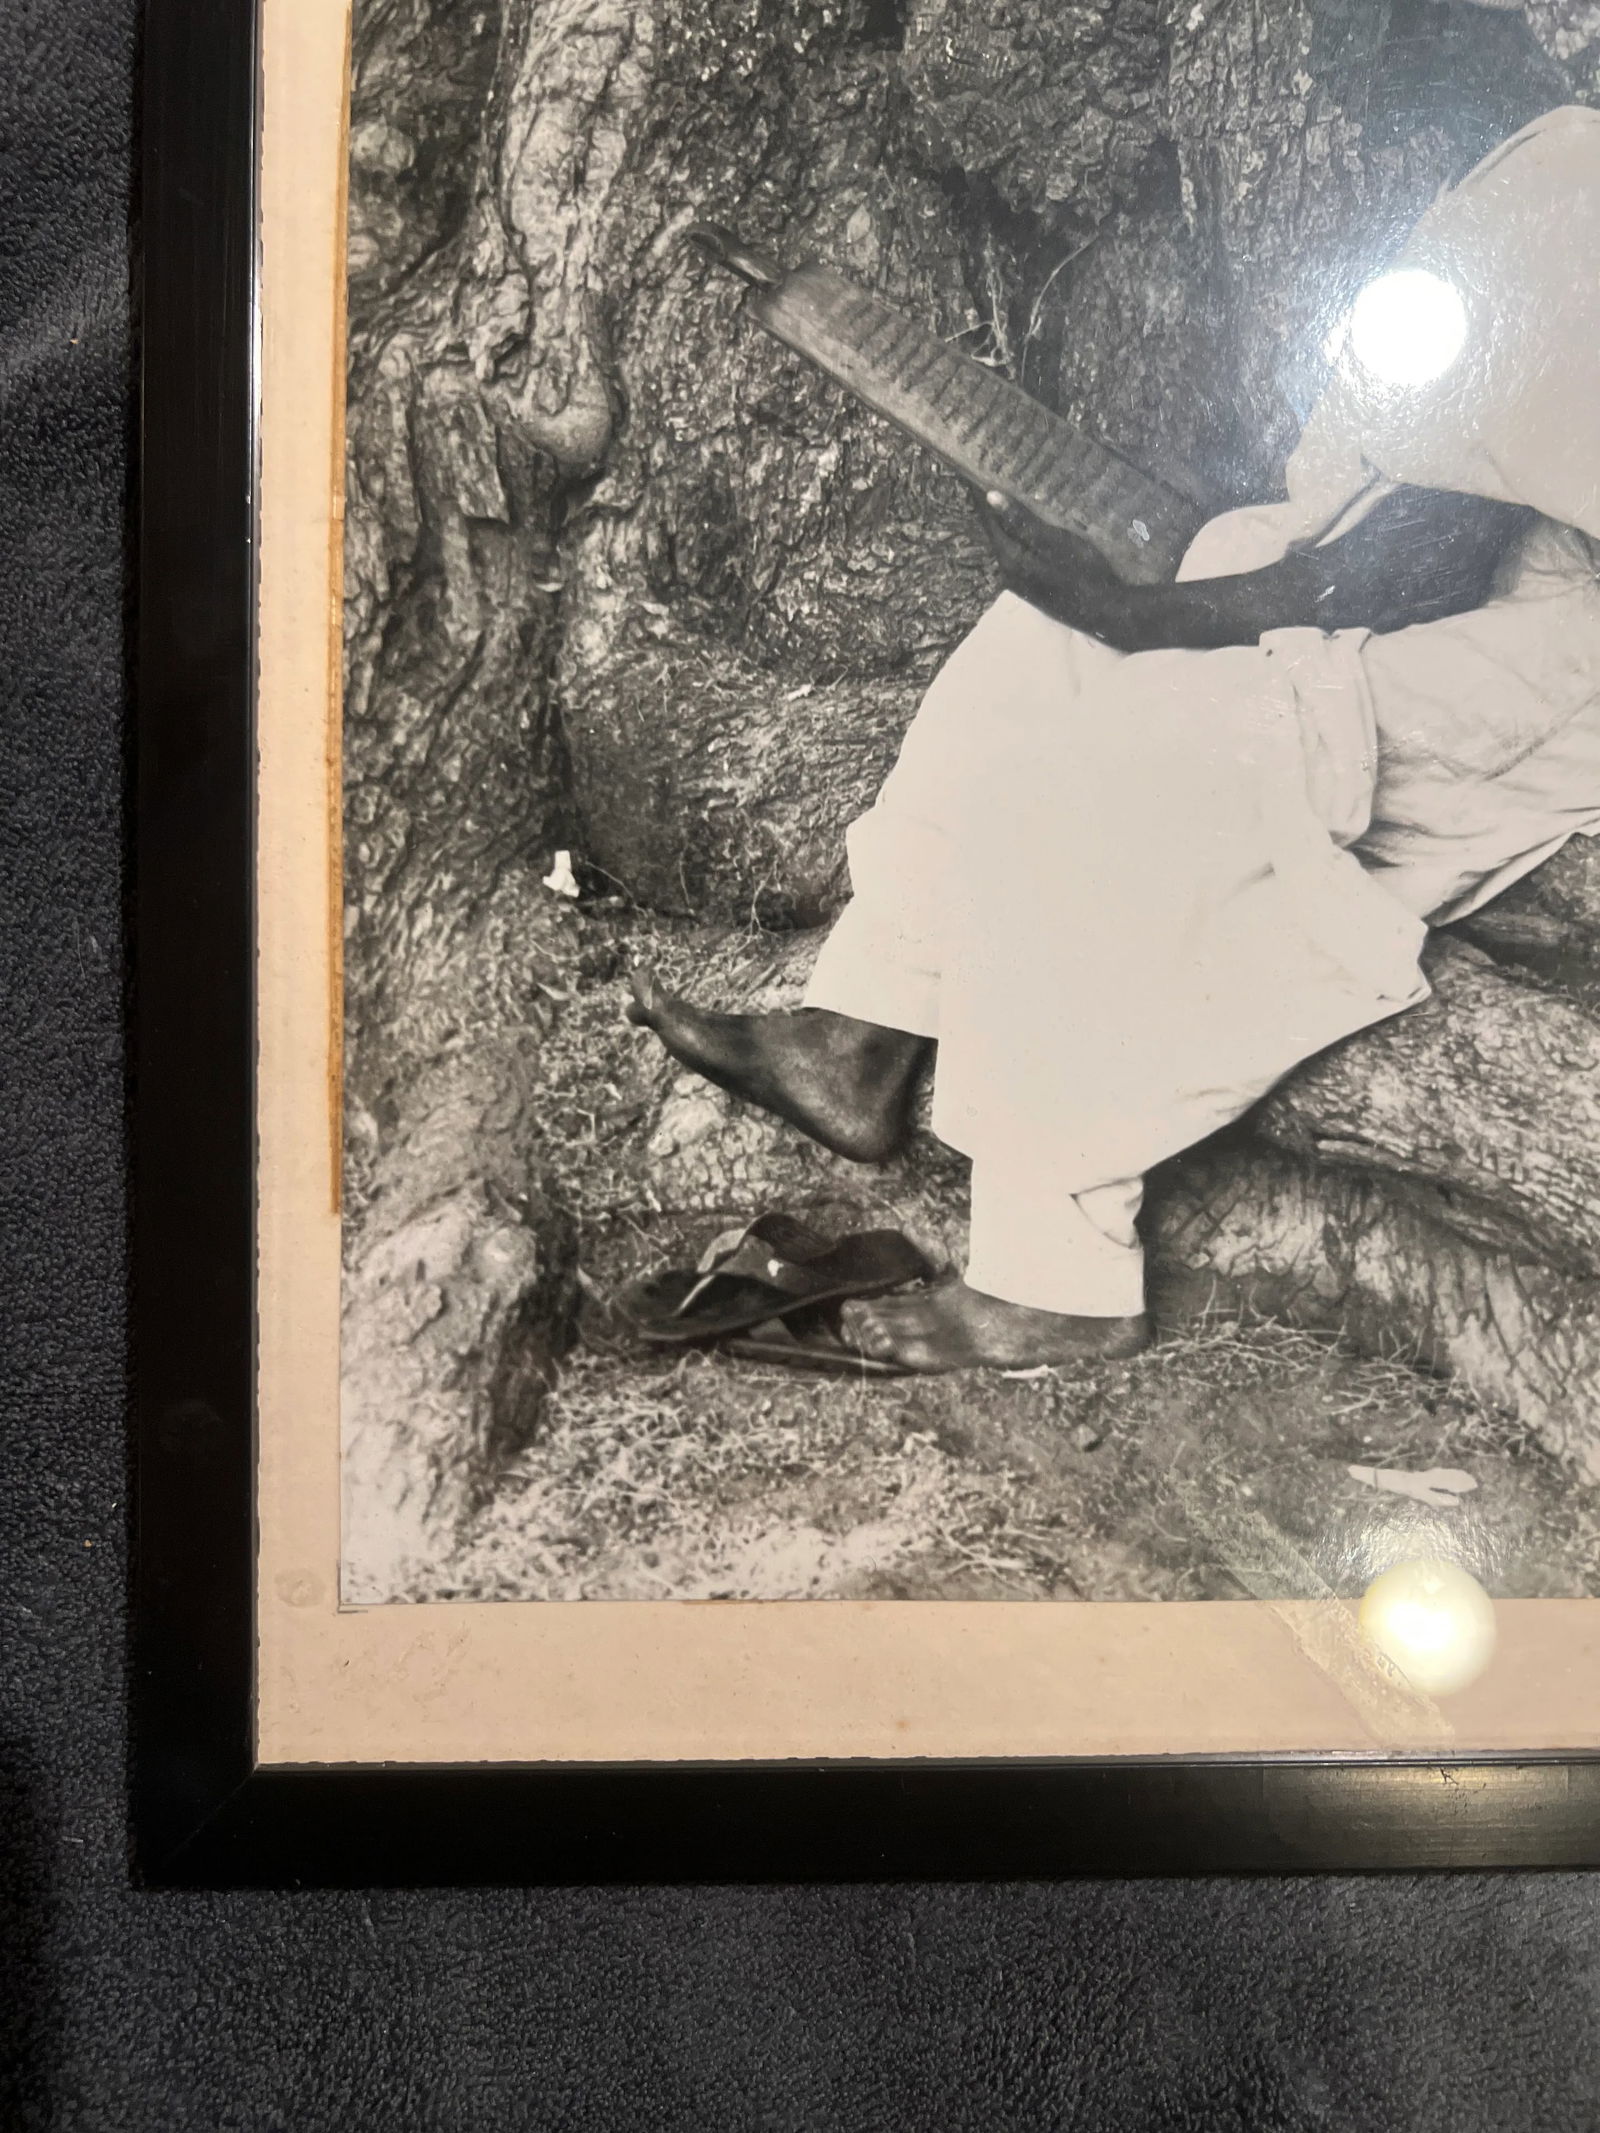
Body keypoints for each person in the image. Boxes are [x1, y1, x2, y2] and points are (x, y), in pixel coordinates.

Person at [629, 100, 1600, 1373]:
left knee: (1143, 753)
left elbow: (1413, 563)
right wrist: (1132, 590)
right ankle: (860, 1027)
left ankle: (1057, 1274)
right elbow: (1411, 471)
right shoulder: (1564, 146)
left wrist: (1150, 619)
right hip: (1434, 553)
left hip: (1550, 645)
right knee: (1038, 646)